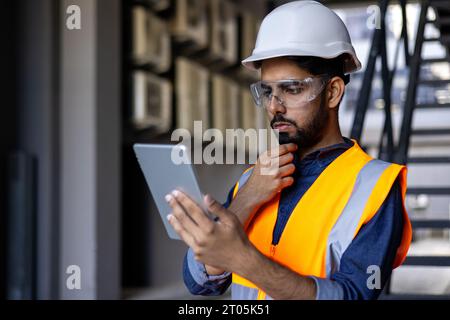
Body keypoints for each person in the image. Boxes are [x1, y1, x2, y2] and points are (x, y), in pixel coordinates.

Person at [165, 0, 412, 300]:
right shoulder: (252, 179)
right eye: (267, 91)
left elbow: (352, 296)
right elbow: (199, 281)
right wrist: (248, 198)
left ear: (332, 91)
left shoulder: (375, 188)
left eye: (291, 89)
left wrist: (244, 260)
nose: (273, 106)